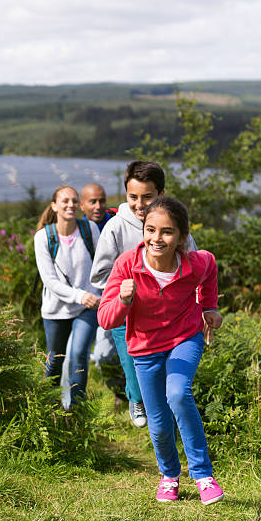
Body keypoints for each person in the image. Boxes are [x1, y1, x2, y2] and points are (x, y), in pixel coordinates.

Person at [97, 196, 224, 505]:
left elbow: (209, 270)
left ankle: (203, 475)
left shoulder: (196, 262)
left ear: (181, 237)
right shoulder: (127, 265)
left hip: (185, 338)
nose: (157, 238)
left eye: (167, 232)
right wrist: (124, 301)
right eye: (150, 230)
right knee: (158, 423)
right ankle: (169, 476)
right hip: (145, 348)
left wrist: (209, 306)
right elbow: (105, 318)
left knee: (179, 394)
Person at [90, 161, 197, 428]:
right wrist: (126, 289)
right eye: (133, 197)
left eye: (147, 197)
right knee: (134, 371)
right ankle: (134, 398)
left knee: (164, 380)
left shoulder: (175, 225)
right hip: (127, 314)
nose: (139, 204)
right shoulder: (116, 227)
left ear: (160, 194)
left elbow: (194, 269)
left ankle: (166, 426)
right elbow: (99, 275)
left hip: (168, 317)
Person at [34, 185, 100, 409]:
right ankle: (49, 410)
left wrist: (97, 294)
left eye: (74, 201)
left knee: (79, 355)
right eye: (65, 201)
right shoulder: (43, 238)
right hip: (56, 310)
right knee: (55, 361)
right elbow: (50, 283)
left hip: (87, 307)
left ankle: (77, 410)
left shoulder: (89, 229)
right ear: (54, 206)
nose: (70, 205)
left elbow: (102, 265)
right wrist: (80, 295)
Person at [60, 182, 126, 403]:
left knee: (106, 354)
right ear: (82, 205)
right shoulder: (76, 229)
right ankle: (70, 404)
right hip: (86, 303)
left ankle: (126, 394)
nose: (98, 206)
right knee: (82, 354)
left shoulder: (118, 223)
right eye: (92, 201)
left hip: (115, 300)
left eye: (102, 200)